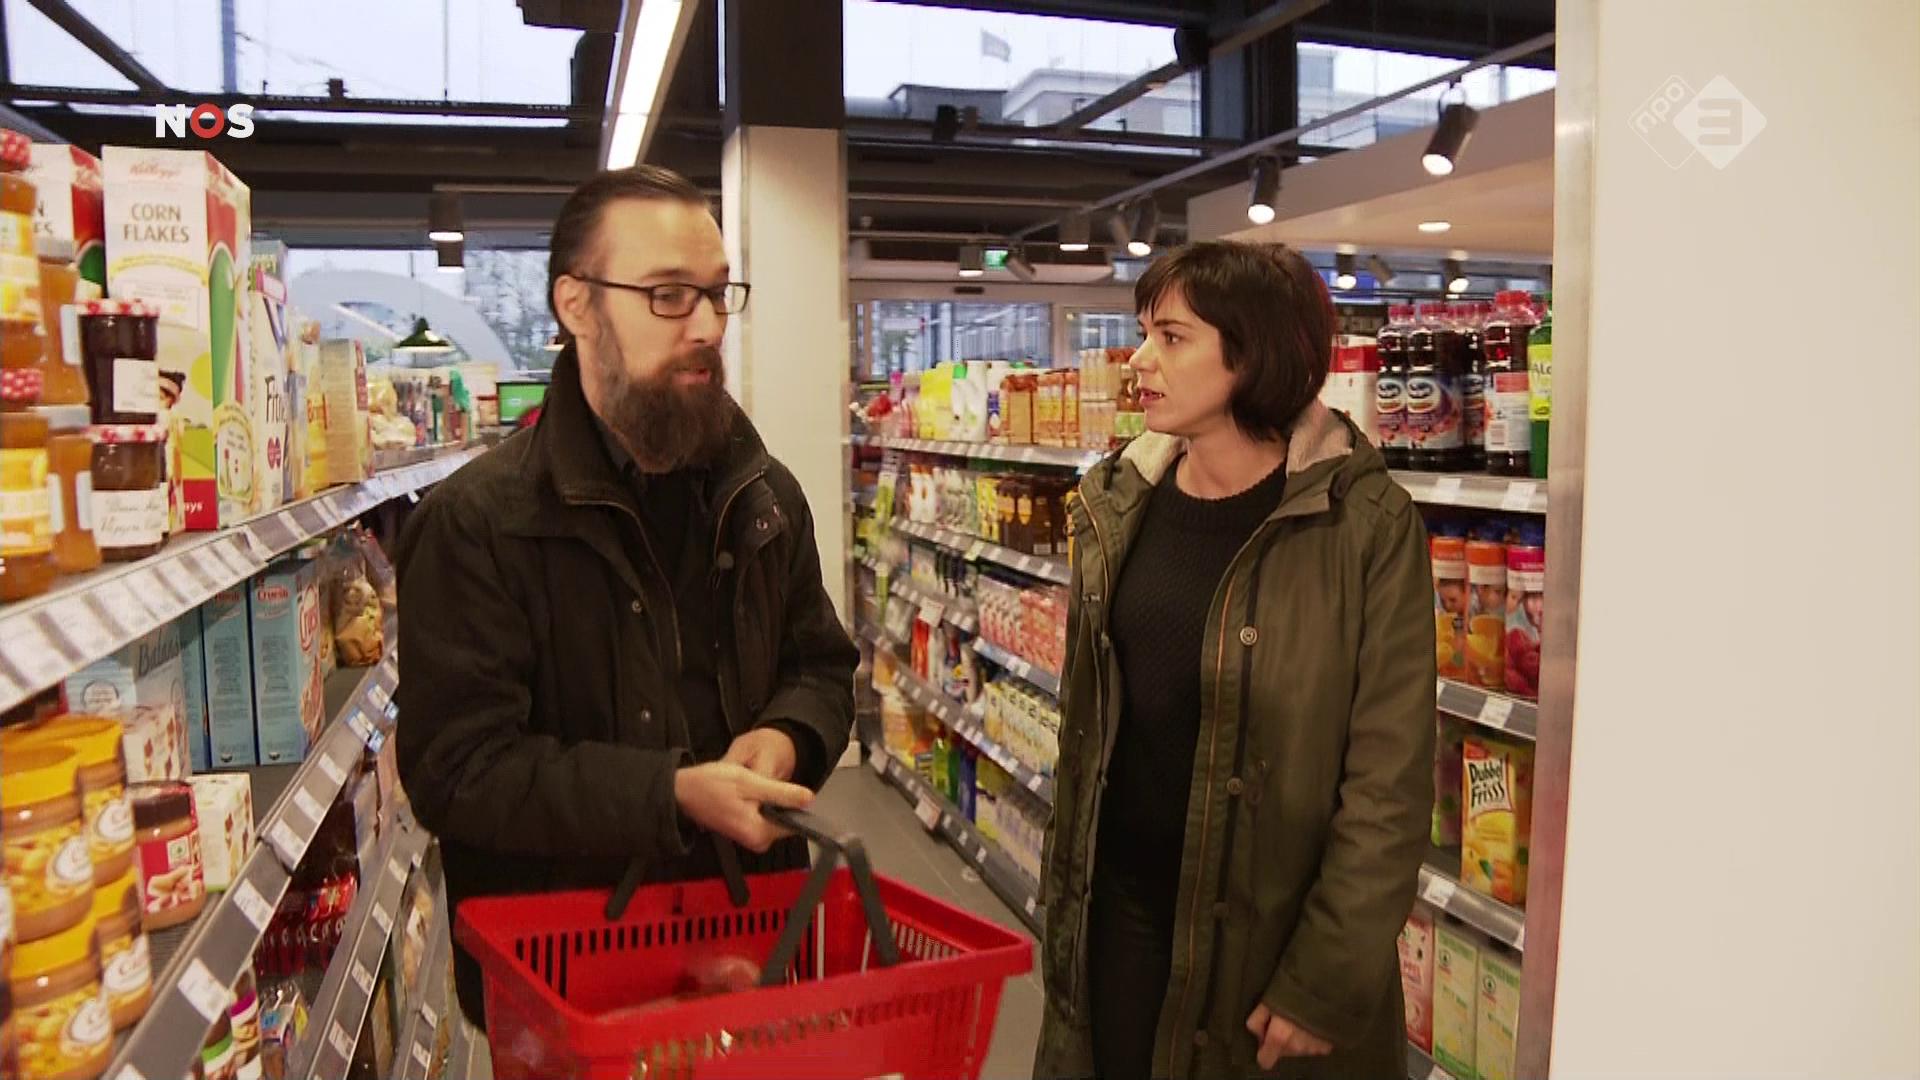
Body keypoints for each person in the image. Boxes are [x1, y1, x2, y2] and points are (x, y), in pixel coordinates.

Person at [394, 165, 857, 1025]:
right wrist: (669, 794)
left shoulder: (763, 497)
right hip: (568, 980)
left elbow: (821, 668)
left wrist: (788, 736)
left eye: (717, 294)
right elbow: (456, 770)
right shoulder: (478, 524)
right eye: (670, 296)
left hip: (750, 946)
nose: (707, 326)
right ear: (576, 305)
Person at [1036, 241, 1436, 1079]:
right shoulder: (1117, 503)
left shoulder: (1363, 526)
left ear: (1252, 355)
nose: (1139, 360)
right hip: (1122, 919)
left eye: (1172, 337)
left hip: (1267, 938)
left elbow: (1389, 783)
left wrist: (1325, 978)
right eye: (1144, 333)